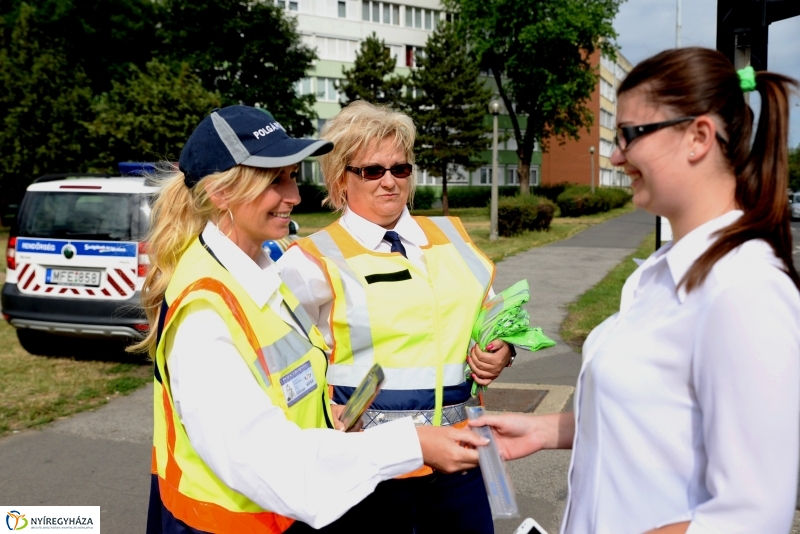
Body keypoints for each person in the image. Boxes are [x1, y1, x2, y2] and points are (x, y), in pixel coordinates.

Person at [470, 47, 800, 533]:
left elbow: (751, 513)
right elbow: (657, 417)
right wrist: (543, 430)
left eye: (628, 134)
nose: (615, 155)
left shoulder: (744, 288)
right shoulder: (661, 272)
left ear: (698, 137)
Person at [136, 105, 487, 534]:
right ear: (220, 193)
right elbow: (267, 460)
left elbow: (287, 387)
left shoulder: (261, 273)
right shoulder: (204, 312)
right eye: (275, 180)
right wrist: (412, 443)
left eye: (293, 176)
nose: (295, 196)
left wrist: (327, 413)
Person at [278, 100, 513, 533]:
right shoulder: (312, 261)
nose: (389, 181)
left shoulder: (452, 238)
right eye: (372, 170)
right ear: (340, 179)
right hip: (370, 472)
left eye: (399, 169)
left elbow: (495, 315)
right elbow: (281, 367)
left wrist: (503, 349)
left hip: (461, 460)